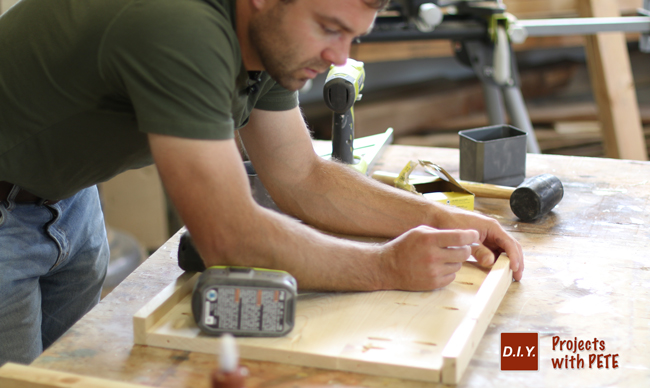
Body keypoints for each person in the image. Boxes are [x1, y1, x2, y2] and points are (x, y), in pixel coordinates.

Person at [0, 0, 524, 366]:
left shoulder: (269, 34)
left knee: (66, 369)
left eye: (352, 36)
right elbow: (229, 236)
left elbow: (302, 175)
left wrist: (436, 215)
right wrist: (386, 265)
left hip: (66, 198)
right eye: (328, 27)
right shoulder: (179, 27)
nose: (339, 56)